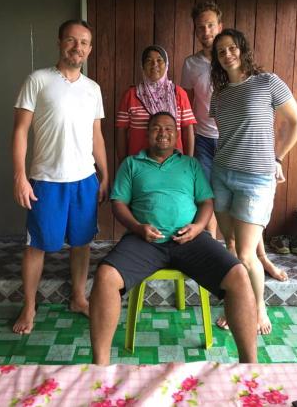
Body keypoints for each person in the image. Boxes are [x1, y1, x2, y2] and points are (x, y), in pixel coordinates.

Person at [90, 112, 258, 364]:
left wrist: (198, 227)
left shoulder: (190, 165)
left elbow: (206, 201)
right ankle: (99, 365)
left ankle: (250, 364)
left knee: (239, 275)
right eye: (156, 128)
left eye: (169, 128)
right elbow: (118, 204)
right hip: (144, 240)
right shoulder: (131, 164)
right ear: (147, 134)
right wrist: (138, 227)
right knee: (105, 276)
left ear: (177, 135)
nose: (163, 133)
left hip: (190, 239)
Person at [12, 19, 109, 334]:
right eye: (71, 40)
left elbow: (97, 137)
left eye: (83, 42)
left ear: (89, 49)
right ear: (59, 42)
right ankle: (29, 306)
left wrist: (104, 174)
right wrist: (20, 176)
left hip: (84, 180)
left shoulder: (92, 89)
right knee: (37, 244)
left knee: (81, 243)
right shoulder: (38, 80)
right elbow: (20, 131)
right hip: (46, 180)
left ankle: (78, 298)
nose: (77, 47)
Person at [181, 1, 288, 283]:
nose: (205, 31)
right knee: (213, 203)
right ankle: (223, 261)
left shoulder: (248, 72)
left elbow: (271, 117)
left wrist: (275, 157)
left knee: (248, 214)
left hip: (242, 149)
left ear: (220, 26)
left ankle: (259, 259)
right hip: (207, 141)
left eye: (210, 25)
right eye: (200, 27)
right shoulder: (193, 66)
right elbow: (188, 103)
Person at [209, 28, 297, 334]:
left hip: (256, 179)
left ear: (242, 49)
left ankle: (258, 308)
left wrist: (278, 158)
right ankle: (235, 304)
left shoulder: (267, 82)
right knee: (231, 246)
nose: (227, 55)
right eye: (221, 51)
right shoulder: (219, 94)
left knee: (247, 254)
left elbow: (296, 121)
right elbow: (226, 135)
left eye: (231, 48)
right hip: (222, 174)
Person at [116, 45, 196, 161]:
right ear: (142, 66)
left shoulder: (178, 93)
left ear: (167, 64)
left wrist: (189, 162)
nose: (155, 65)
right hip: (139, 163)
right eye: (149, 61)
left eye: (159, 60)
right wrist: (123, 163)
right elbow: (121, 132)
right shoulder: (131, 95)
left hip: (174, 164)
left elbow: (188, 129)